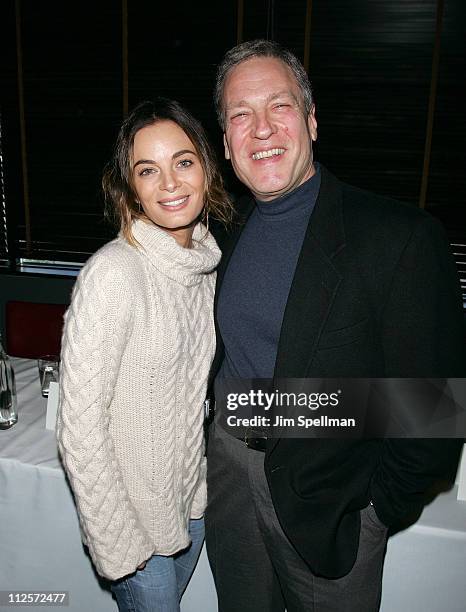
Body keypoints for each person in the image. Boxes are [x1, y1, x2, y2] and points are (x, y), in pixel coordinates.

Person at [205, 39, 465, 612]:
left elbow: (435, 411)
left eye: (280, 106)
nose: (262, 129)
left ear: (313, 120)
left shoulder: (399, 239)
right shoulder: (221, 233)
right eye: (241, 116)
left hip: (332, 508)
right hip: (228, 481)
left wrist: (374, 511)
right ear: (226, 144)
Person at [56, 98, 231, 612]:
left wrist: (196, 494)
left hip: (188, 510)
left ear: (205, 165)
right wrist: (119, 543)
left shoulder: (200, 264)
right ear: (130, 187)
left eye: (183, 162)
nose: (170, 184)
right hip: (133, 533)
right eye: (147, 170)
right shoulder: (115, 274)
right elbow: (80, 427)